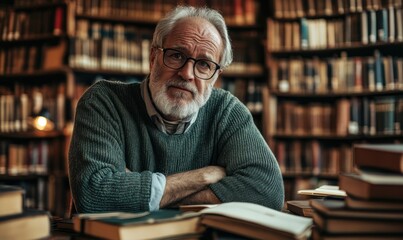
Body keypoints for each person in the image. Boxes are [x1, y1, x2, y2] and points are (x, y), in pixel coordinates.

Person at [68, 5, 284, 213]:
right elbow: (94, 193)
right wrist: (202, 178)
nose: (187, 73)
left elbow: (268, 191)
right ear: (153, 58)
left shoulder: (226, 111)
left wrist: (139, 192)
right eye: (177, 55)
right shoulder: (104, 102)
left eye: (204, 64)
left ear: (216, 76)